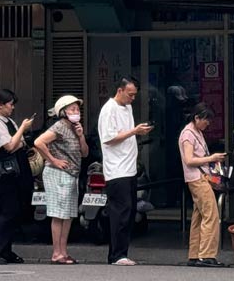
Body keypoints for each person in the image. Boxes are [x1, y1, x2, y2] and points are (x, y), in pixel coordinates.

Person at [98, 77, 151, 266]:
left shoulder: (127, 108)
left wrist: (137, 132)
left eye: (135, 95)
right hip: (116, 169)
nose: (133, 99)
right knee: (121, 211)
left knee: (129, 212)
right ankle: (116, 255)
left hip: (129, 168)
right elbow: (109, 138)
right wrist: (134, 132)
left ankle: (121, 252)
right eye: (130, 94)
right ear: (119, 91)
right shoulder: (108, 110)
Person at [0, 89, 34, 265]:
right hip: (3, 175)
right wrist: (22, 130)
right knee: (7, 212)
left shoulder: (8, 121)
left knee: (15, 213)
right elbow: (10, 145)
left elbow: (21, 142)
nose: (12, 107)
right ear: (1, 104)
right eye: (10, 104)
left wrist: (18, 137)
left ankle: (5, 250)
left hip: (15, 173)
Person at [34, 95, 88, 264]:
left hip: (71, 173)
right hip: (58, 173)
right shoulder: (59, 126)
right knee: (59, 214)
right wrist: (53, 160)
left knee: (68, 214)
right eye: (72, 109)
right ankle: (57, 253)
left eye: (77, 109)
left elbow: (85, 153)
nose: (76, 112)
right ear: (63, 111)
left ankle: (63, 252)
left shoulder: (75, 128)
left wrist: (81, 136)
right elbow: (38, 142)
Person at [178, 103, 226, 268]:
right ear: (196, 118)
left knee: (199, 216)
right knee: (211, 214)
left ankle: (195, 254)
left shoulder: (195, 132)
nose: (208, 123)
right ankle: (206, 254)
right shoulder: (188, 134)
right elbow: (189, 160)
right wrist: (211, 158)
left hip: (199, 177)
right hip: (197, 178)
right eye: (205, 120)